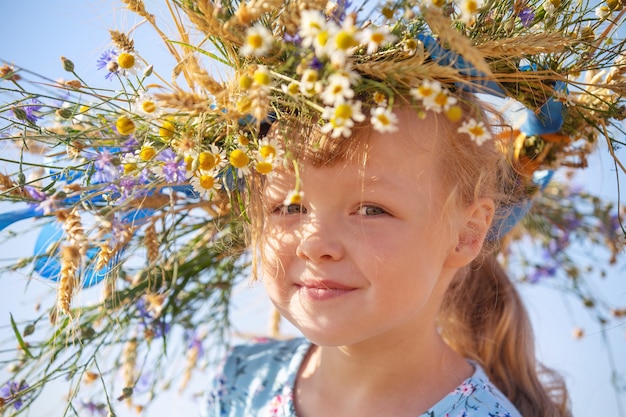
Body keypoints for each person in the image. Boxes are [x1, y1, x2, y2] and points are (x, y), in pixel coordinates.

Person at [204, 101, 570, 416]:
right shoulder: (242, 381)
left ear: (467, 233)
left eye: (370, 209)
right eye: (289, 206)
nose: (314, 244)